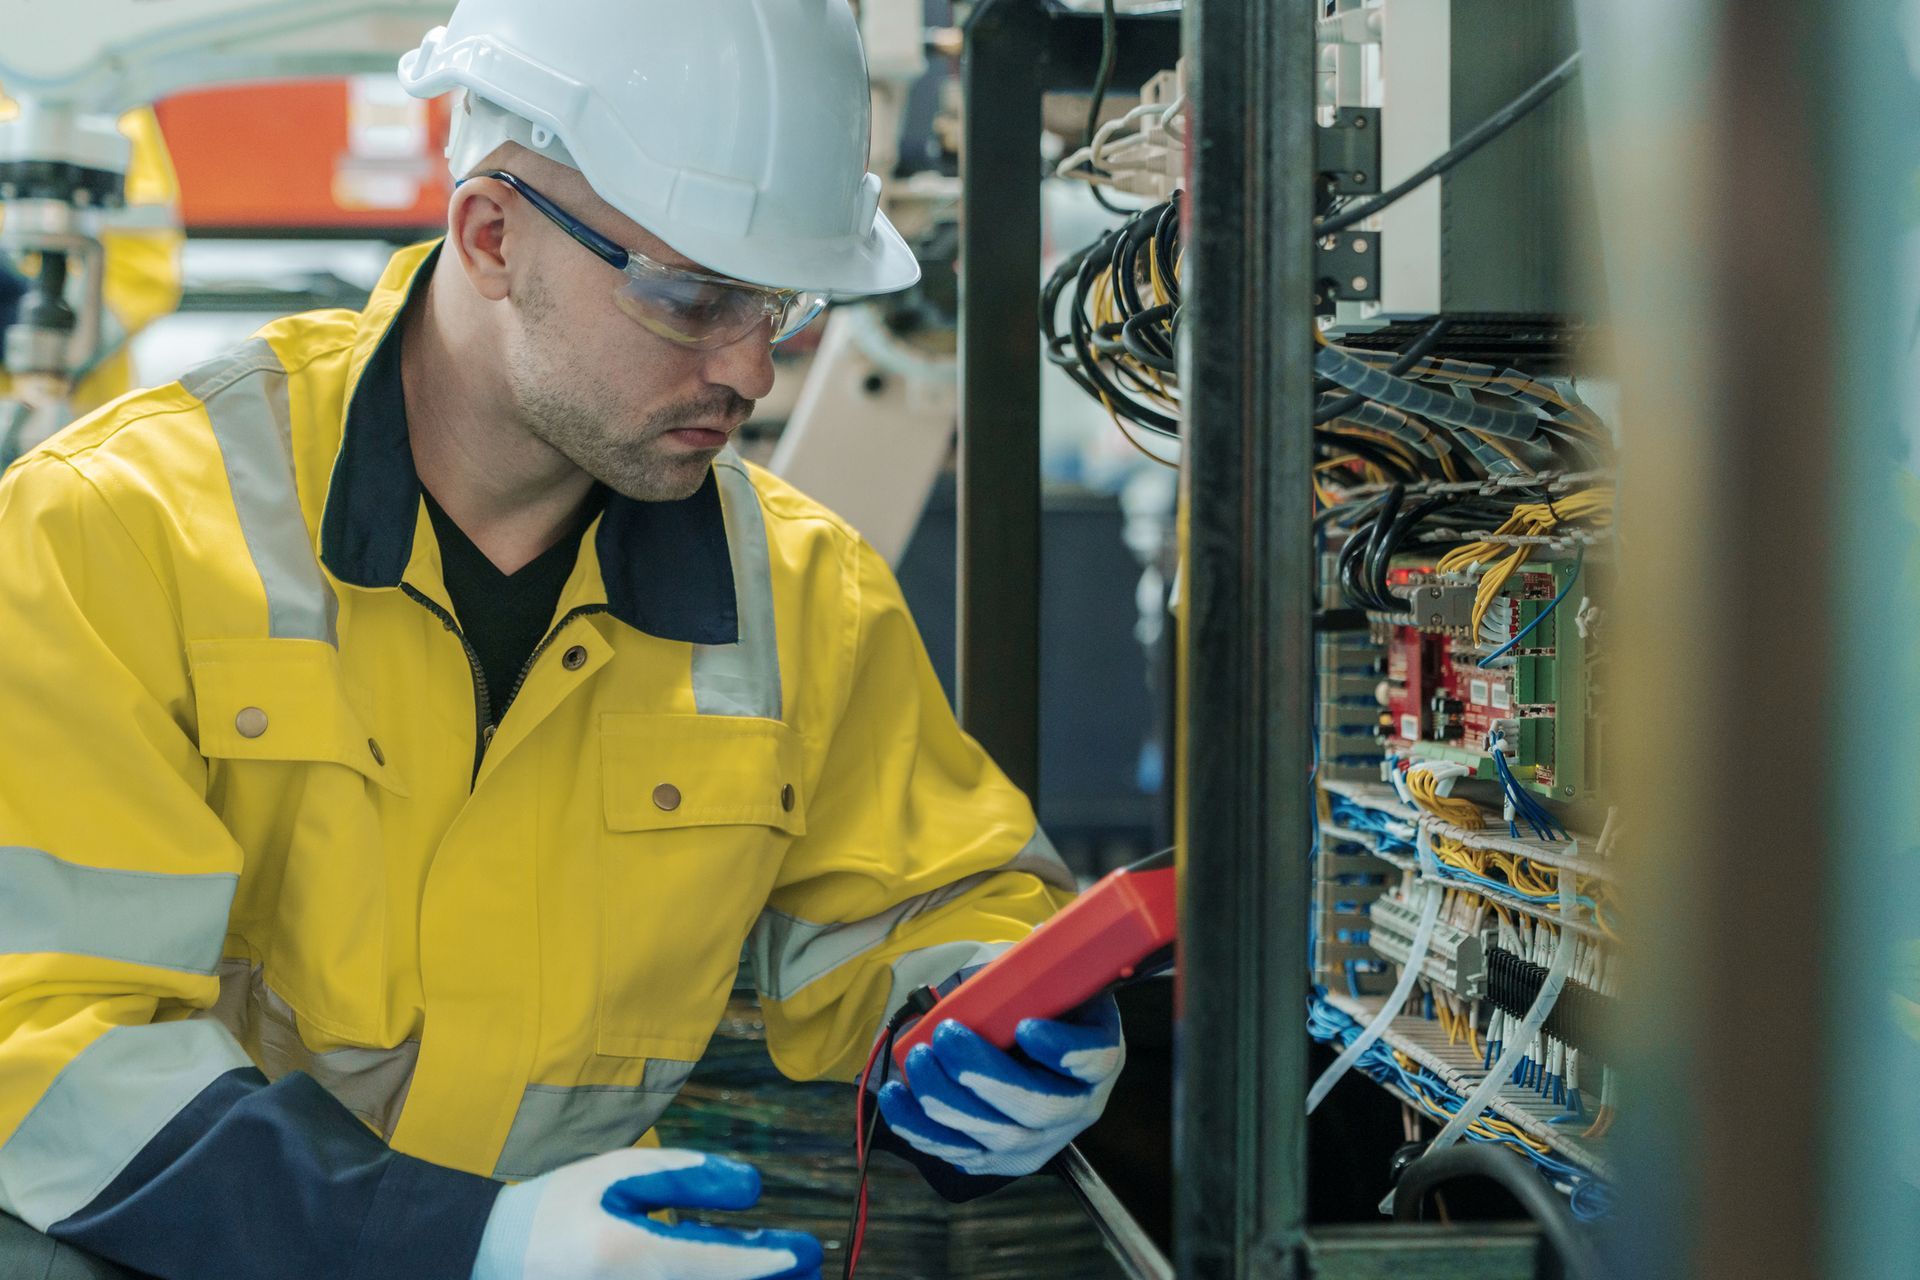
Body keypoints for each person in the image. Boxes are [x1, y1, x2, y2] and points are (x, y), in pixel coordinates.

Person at [0, 2, 1125, 1277]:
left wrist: (982, 1009)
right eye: (695, 295)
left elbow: (930, 895)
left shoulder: (805, 597)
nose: (753, 369)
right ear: (490, 234)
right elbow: (39, 1037)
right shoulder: (114, 531)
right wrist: (461, 1240)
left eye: (783, 304)